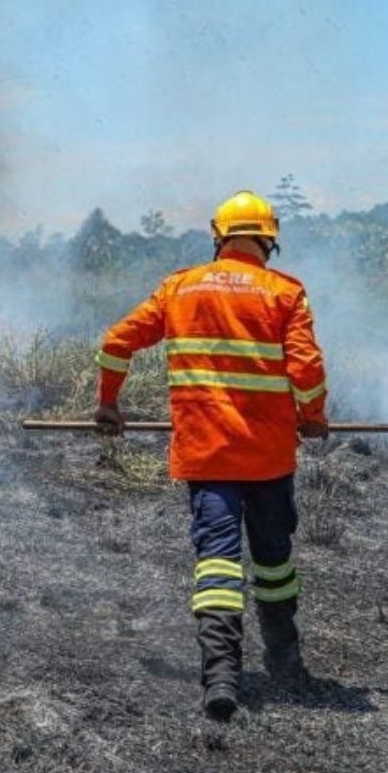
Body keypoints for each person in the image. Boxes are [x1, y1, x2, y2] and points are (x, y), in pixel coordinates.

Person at [94, 190, 329, 721]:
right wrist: (312, 417)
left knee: (216, 563)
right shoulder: (284, 292)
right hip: (268, 457)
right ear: (269, 239)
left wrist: (108, 404)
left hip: (207, 454)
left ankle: (221, 678)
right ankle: (285, 666)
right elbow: (307, 370)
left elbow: (114, 343)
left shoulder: (180, 288)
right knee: (273, 563)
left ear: (218, 237)